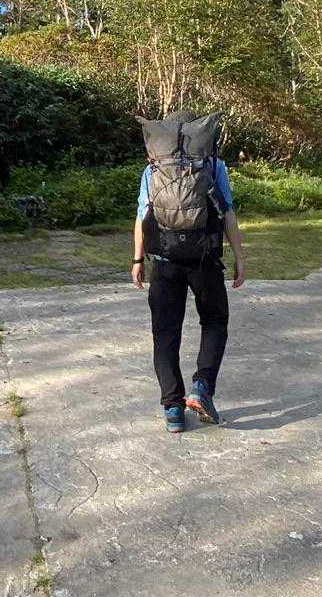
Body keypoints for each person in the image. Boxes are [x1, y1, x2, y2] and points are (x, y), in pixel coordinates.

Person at [133, 117, 245, 434]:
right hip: (204, 259)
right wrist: (239, 256)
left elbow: (142, 216)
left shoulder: (153, 169)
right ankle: (201, 387)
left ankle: (173, 408)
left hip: (164, 260)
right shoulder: (213, 165)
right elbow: (227, 212)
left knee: (165, 333)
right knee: (215, 320)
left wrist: (137, 259)